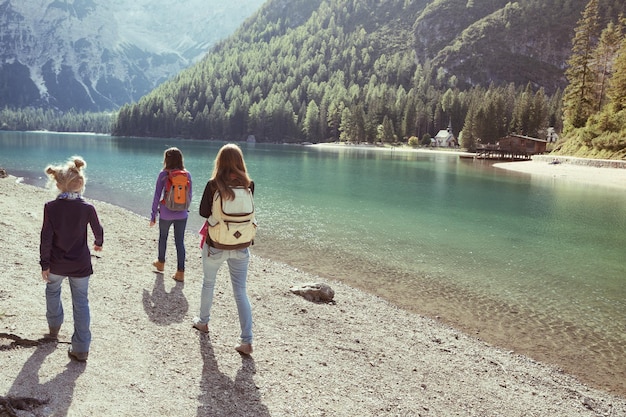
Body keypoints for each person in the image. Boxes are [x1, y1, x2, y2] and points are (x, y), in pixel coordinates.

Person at [40, 156, 104, 362]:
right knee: (81, 302)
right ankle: (81, 348)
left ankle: (54, 328)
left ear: (58, 184)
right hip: (80, 264)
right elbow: (98, 231)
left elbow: (46, 238)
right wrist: (98, 243)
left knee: (52, 291)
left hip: (57, 263)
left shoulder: (51, 207)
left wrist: (44, 264)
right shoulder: (87, 208)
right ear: (80, 184)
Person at [194, 144, 255, 355]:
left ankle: (203, 322)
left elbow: (203, 212)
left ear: (219, 161)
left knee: (208, 283)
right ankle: (246, 340)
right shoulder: (249, 185)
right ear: (240, 162)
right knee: (240, 291)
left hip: (216, 244)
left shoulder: (213, 185)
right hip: (241, 245)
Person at [150, 147, 192, 282]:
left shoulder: (163, 174)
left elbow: (157, 196)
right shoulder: (187, 175)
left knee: (163, 237)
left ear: (166, 159)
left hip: (166, 213)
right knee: (180, 241)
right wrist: (184, 210)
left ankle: (161, 263)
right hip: (182, 214)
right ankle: (181, 272)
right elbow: (190, 196)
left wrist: (153, 215)